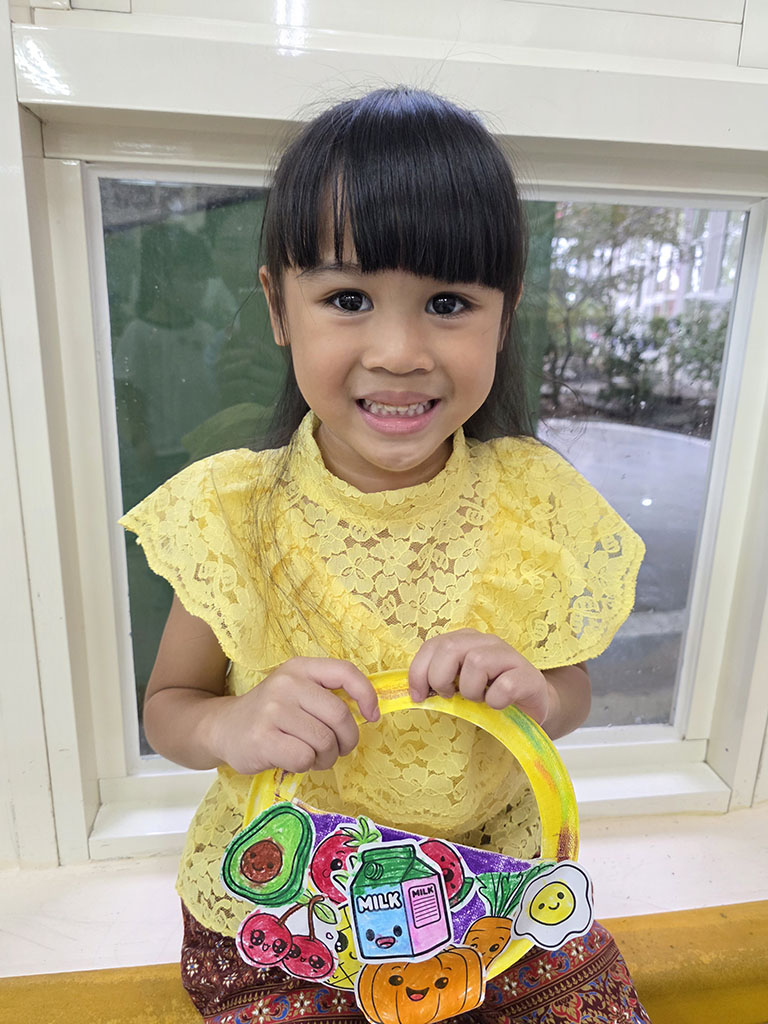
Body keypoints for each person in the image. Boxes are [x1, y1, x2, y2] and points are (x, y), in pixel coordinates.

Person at [121, 87, 650, 1024]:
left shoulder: (535, 499)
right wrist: (233, 724)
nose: (400, 351)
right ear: (279, 307)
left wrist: (535, 691)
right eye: (348, 299)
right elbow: (169, 707)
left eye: (448, 303)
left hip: (491, 894)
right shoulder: (234, 513)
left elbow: (568, 692)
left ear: (503, 316)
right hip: (286, 915)